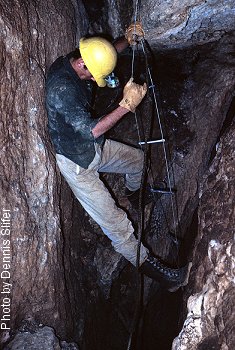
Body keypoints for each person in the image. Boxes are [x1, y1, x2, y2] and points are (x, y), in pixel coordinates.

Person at [45, 24, 191, 291]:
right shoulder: (61, 90)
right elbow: (93, 130)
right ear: (80, 65)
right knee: (118, 226)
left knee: (137, 160)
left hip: (94, 148)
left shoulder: (82, 57)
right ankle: (168, 279)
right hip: (77, 164)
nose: (93, 80)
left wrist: (126, 39)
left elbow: (103, 52)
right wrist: (126, 106)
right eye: (92, 76)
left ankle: (135, 197)